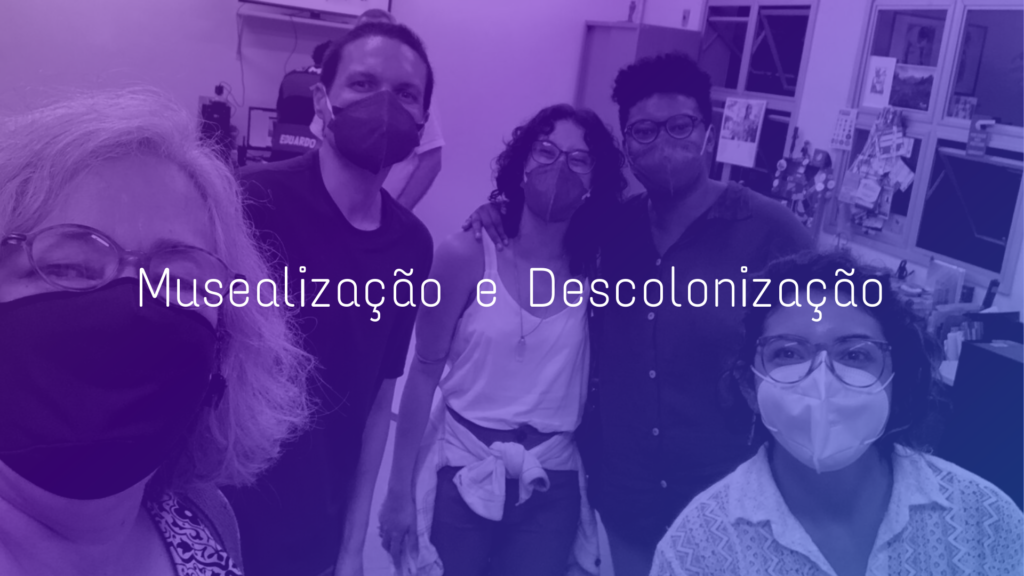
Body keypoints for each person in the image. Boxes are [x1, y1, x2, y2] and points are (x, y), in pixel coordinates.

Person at [465, 53, 814, 575]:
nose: (663, 143)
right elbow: (540, 230)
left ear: (708, 133)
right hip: (625, 501)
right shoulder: (609, 229)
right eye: (644, 131)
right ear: (627, 146)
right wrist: (494, 212)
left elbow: (816, 357)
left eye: (680, 126)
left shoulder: (770, 231)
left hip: (729, 500)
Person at [0, 89, 312, 576]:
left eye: (179, 281)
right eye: (69, 265)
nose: (131, 305)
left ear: (225, 346)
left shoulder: (207, 517)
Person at [652, 251, 1024, 575]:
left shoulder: (987, 520)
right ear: (750, 386)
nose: (822, 381)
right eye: (788, 353)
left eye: (855, 354)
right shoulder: (697, 548)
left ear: (895, 379)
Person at [223, 21, 434, 576]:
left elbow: (378, 403)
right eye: (363, 84)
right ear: (323, 99)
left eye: (405, 94)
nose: (384, 104)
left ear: (421, 123)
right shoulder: (250, 200)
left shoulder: (411, 245)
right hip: (219, 521)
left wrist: (351, 548)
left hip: (317, 528)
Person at [379, 104, 626, 576]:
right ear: (522, 163)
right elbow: (423, 373)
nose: (559, 167)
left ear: (595, 180)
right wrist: (397, 491)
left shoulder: (597, 267)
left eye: (579, 159)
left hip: (551, 479)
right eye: (546, 151)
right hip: (463, 466)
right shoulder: (465, 255)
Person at [311, 8, 444, 210]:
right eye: (362, 84)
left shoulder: (412, 101)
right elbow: (318, 144)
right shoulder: (270, 197)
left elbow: (431, 160)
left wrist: (397, 213)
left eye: (384, 32)